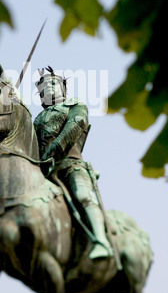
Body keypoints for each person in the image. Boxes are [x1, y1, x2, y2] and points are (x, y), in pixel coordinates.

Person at [33, 66, 113, 260]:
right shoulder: (37, 119)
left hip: (71, 165)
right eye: (44, 86)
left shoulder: (75, 105)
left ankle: (101, 241)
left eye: (53, 83)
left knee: (83, 195)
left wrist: (55, 148)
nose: (49, 87)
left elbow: (76, 125)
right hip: (45, 172)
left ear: (63, 88)